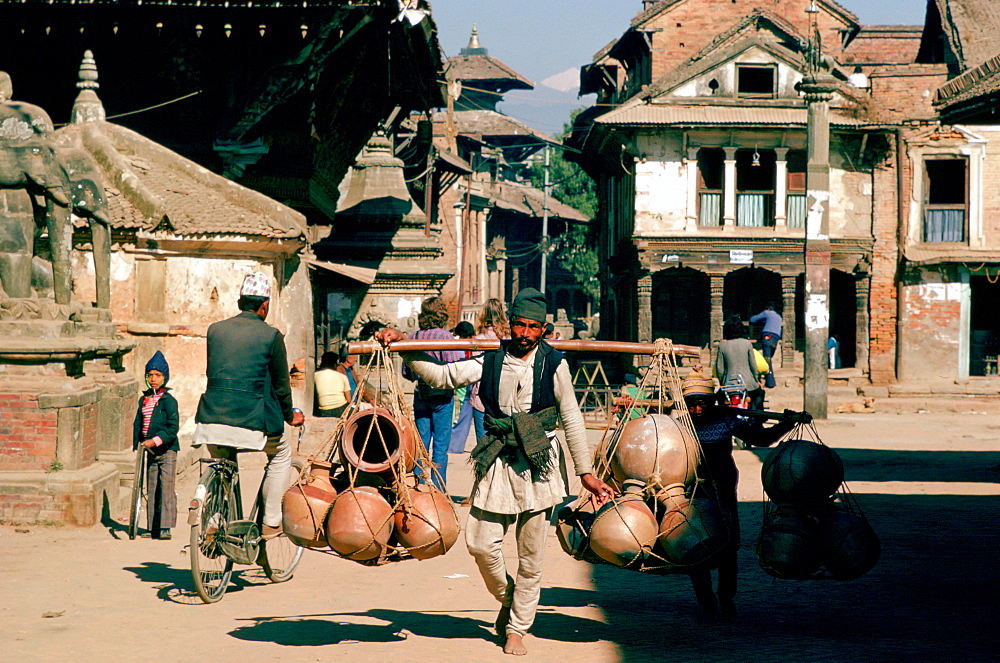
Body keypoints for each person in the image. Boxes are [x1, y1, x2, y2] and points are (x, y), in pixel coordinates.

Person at [376, 287, 614, 656]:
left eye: (532, 327)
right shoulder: (489, 361)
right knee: (480, 544)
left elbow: (571, 419)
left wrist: (586, 473)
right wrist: (406, 346)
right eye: (518, 325)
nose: (523, 333)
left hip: (541, 464)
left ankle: (518, 627)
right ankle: (510, 599)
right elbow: (441, 377)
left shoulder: (555, 365)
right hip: (498, 458)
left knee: (531, 555)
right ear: (509, 325)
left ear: (544, 329)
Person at [681, 365, 804, 621]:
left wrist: (786, 423)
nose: (696, 410)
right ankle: (706, 602)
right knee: (696, 549)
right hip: (693, 493)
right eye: (691, 405)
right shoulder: (681, 426)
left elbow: (760, 439)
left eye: (702, 403)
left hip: (724, 492)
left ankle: (726, 599)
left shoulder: (726, 420)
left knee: (727, 549)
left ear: (713, 401)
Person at [193, 271, 305, 540]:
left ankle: (216, 520)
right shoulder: (271, 336)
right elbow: (281, 386)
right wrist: (290, 416)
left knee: (223, 461)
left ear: (239, 301)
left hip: (211, 418)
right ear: (264, 305)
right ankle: (270, 521)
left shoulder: (215, 330)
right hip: (251, 420)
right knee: (280, 454)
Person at [402, 297, 463, 489]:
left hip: (422, 393)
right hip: (443, 396)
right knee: (440, 447)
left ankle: (418, 486)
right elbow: (454, 367)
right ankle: (437, 488)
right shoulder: (445, 337)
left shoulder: (414, 337)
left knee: (421, 444)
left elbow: (407, 371)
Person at [133, 351, 179, 540]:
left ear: (165, 378)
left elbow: (172, 427)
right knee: (151, 487)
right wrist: (139, 442)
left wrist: (156, 440)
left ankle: (165, 527)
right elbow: (139, 422)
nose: (153, 379)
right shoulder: (144, 400)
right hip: (150, 451)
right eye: (150, 375)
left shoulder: (169, 401)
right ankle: (153, 526)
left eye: (158, 375)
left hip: (167, 450)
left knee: (166, 486)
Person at [471, 298, 510, 444]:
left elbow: (474, 370)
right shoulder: (509, 338)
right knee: (504, 444)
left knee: (483, 445)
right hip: (504, 395)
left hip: (481, 396)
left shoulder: (478, 340)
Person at [715, 315, 765, 411]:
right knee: (759, 395)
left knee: (720, 401)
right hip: (748, 384)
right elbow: (753, 365)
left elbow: (720, 368)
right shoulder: (747, 343)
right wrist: (757, 380)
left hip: (728, 384)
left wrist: (722, 382)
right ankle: (757, 420)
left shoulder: (722, 345)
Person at [449, 320, 477, 453]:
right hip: (467, 379)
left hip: (464, 380)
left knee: (464, 411)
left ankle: (455, 445)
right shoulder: (472, 343)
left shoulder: (457, 344)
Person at [749, 305, 783, 389]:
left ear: (768, 309)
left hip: (767, 337)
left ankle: (770, 382)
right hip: (775, 339)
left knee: (767, 361)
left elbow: (753, 319)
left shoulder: (767, 313)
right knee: (768, 360)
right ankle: (769, 380)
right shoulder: (779, 317)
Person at [315, 351, 351, 417]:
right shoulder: (342, 376)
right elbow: (348, 399)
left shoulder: (315, 376)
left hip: (324, 409)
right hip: (341, 408)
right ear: (335, 364)